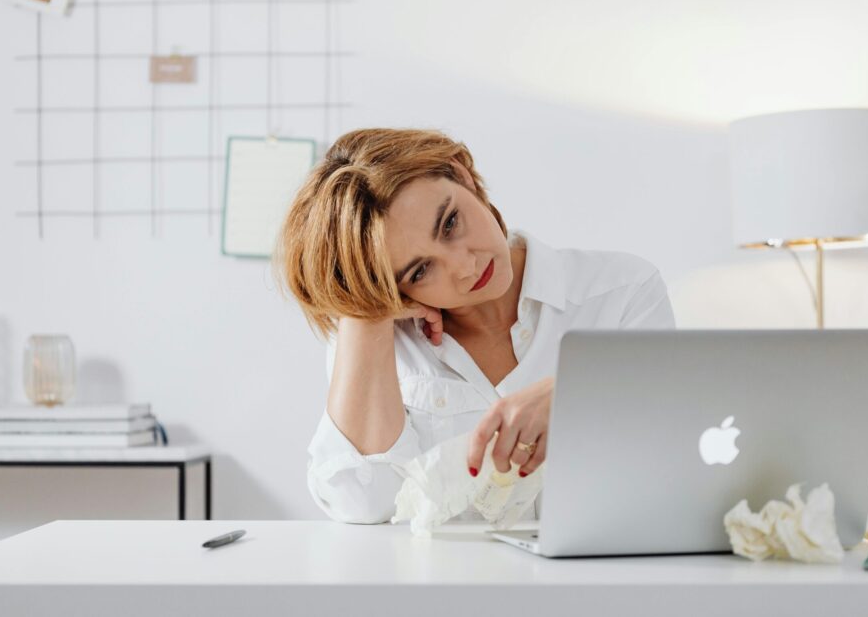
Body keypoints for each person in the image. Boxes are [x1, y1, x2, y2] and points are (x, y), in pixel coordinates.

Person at [277, 128, 675, 524]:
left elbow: (671, 455)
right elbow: (362, 503)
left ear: (462, 175)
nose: (465, 267)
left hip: (600, 583)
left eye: (450, 223)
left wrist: (578, 390)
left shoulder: (621, 292)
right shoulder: (381, 344)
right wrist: (364, 307)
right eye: (420, 271)